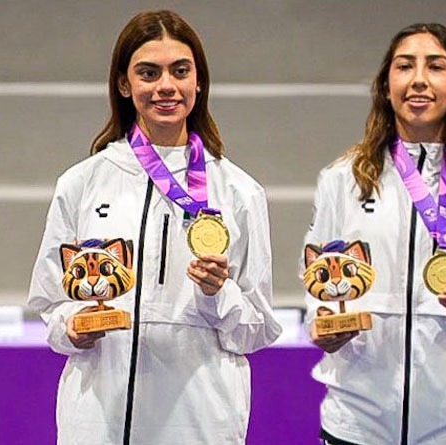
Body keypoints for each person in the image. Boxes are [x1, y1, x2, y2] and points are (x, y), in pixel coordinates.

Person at [28, 10, 282, 445]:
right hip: (97, 422)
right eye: (148, 73)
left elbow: (256, 329)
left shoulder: (239, 192)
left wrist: (217, 293)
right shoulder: (82, 183)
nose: (166, 86)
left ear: (198, 82)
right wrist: (73, 327)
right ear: (124, 84)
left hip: (200, 423)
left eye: (180, 71)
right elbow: (51, 302)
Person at [302, 23, 446, 445]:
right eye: (405, 66)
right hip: (358, 423)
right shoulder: (342, 180)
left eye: (436, 67)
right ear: (385, 85)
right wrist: (322, 326)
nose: (419, 79)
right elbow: (318, 283)